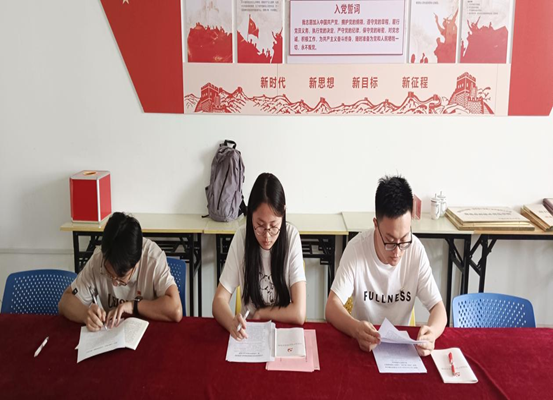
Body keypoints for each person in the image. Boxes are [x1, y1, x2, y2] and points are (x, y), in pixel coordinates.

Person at [326, 175, 446, 356]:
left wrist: (432, 333)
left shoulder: (415, 251)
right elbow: (331, 307)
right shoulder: (357, 249)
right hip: (365, 347)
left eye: (404, 239)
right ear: (376, 224)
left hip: (401, 351)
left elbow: (439, 309)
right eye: (389, 241)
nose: (397, 251)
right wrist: (356, 329)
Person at [213, 173, 306, 341]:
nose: (267, 236)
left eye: (274, 226)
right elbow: (219, 300)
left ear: (283, 214)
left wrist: (261, 313)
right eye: (260, 226)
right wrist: (231, 322)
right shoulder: (242, 238)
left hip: (283, 333)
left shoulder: (291, 237)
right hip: (250, 333)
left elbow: (299, 313)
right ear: (250, 216)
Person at [59, 212, 183, 331]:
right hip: (112, 333)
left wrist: (134, 306)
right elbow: (65, 302)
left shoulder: (153, 259)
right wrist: (85, 314)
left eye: (121, 278)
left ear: (137, 263)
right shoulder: (98, 259)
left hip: (150, 333)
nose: (114, 283)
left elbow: (175, 309)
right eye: (109, 274)